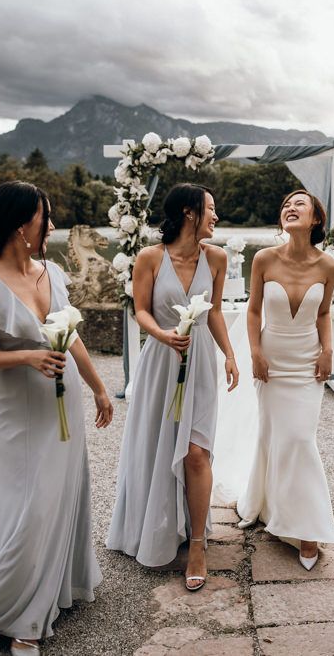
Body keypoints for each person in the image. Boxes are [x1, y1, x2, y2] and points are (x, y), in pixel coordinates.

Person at [0, 181, 113, 654]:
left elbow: (73, 336)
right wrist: (25, 358)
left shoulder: (52, 272)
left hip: (64, 406)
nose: (54, 224)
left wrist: (99, 388)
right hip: (20, 411)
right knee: (29, 505)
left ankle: (55, 585)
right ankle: (19, 613)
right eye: (47, 216)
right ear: (23, 224)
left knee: (62, 494)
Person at [107, 183, 238, 592]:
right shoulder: (149, 257)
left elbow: (213, 312)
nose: (216, 217)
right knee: (158, 446)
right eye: (211, 209)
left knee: (197, 453)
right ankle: (156, 526)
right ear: (189, 212)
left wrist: (230, 354)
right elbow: (140, 310)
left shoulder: (216, 257)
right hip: (161, 362)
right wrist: (162, 335)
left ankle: (197, 544)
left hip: (199, 361)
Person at [237, 190, 334, 570]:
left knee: (299, 437)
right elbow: (252, 312)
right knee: (272, 433)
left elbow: (324, 312)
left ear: (315, 219)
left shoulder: (328, 266)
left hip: (307, 363)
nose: (290, 208)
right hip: (272, 360)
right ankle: (262, 503)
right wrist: (256, 352)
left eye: (299, 204)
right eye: (285, 205)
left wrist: (328, 350)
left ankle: (306, 529)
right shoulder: (264, 259)